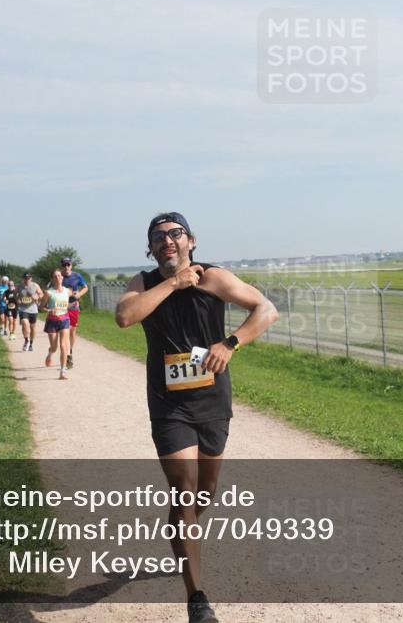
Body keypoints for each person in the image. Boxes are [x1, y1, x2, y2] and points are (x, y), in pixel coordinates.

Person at [115, 212, 277, 623]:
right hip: (169, 404)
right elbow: (124, 317)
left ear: (191, 240)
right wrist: (173, 283)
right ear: (150, 248)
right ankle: (198, 600)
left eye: (175, 233)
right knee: (184, 491)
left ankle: (178, 533)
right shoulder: (145, 282)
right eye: (158, 237)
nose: (167, 240)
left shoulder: (214, 277)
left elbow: (266, 310)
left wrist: (231, 343)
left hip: (212, 400)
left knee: (205, 493)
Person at [41, 269, 72, 379]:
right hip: (52, 321)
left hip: (64, 320)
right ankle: (50, 354)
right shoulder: (49, 293)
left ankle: (63, 371)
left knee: (63, 346)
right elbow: (41, 307)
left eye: (60, 276)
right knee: (54, 347)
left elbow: (71, 302)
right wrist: (49, 310)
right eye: (55, 276)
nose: (58, 278)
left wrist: (74, 303)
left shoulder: (68, 291)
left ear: (62, 278)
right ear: (52, 279)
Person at [60, 257, 87, 370]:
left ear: (71, 265)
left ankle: (70, 351)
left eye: (68, 264)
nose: (66, 267)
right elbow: (51, 288)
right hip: (61, 307)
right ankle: (66, 354)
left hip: (73, 307)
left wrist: (79, 294)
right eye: (64, 265)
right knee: (65, 331)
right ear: (62, 266)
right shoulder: (59, 276)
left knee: (72, 330)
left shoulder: (77, 276)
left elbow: (85, 287)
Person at [17, 272, 43, 352]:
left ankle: (31, 343)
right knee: (24, 323)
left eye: (28, 278)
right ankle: (26, 341)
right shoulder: (19, 286)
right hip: (23, 308)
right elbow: (15, 294)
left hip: (33, 309)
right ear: (23, 279)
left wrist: (37, 296)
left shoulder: (35, 285)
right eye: (25, 278)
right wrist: (17, 299)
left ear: (31, 278)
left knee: (32, 328)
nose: (26, 280)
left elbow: (41, 294)